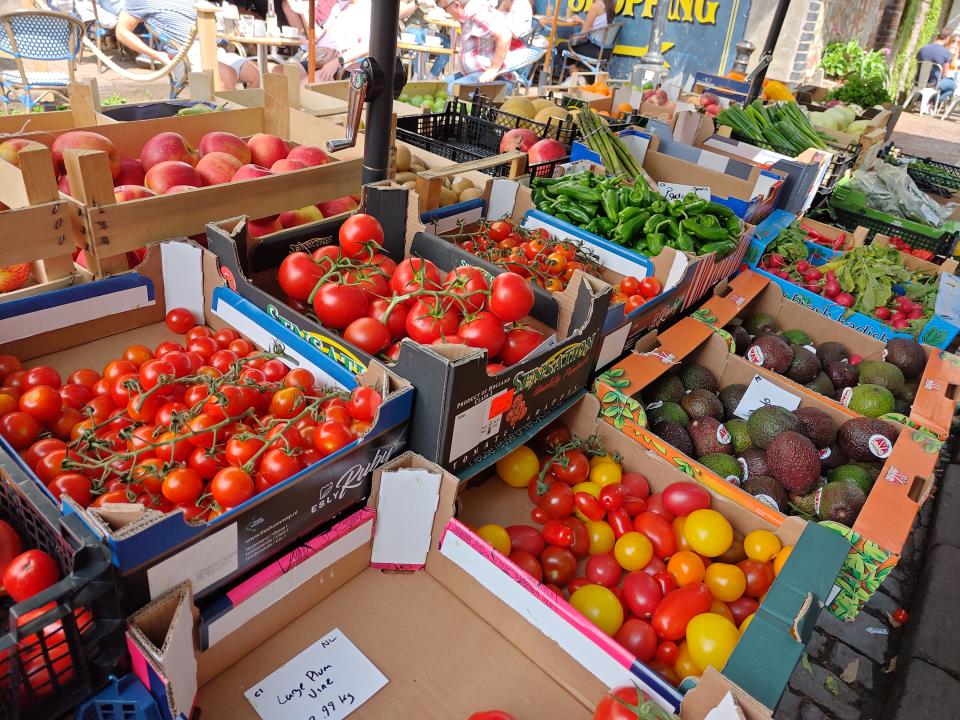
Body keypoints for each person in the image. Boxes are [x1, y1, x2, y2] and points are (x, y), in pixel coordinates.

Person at [116, 0, 260, 89]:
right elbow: (121, 31)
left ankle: (248, 119)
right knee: (226, 76)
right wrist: (155, 54)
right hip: (184, 55)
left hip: (214, 48)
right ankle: (223, 126)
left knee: (257, 74)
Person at [438, 0, 540, 89]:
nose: (446, 12)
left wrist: (493, 69)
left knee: (451, 90)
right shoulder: (471, 10)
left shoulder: (476, 12)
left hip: (493, 76)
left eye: (445, 9)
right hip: (474, 73)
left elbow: (505, 35)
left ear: (456, 5)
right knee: (440, 86)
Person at [306, 0, 373, 81]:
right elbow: (321, 35)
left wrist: (338, 61)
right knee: (291, 73)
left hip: (343, 65)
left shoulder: (368, 9)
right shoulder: (340, 6)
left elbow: (367, 46)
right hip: (321, 57)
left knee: (303, 85)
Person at [400, 0, 451, 78]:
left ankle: (431, 76)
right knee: (424, 40)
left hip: (430, 31)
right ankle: (417, 77)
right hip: (413, 28)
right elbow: (400, 13)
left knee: (448, 44)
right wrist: (417, 2)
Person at [917, 31, 956, 102]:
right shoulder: (946, 52)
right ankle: (932, 102)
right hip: (933, 83)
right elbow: (944, 74)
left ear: (936, 37)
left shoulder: (923, 48)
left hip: (918, 80)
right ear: (947, 39)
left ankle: (923, 100)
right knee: (953, 86)